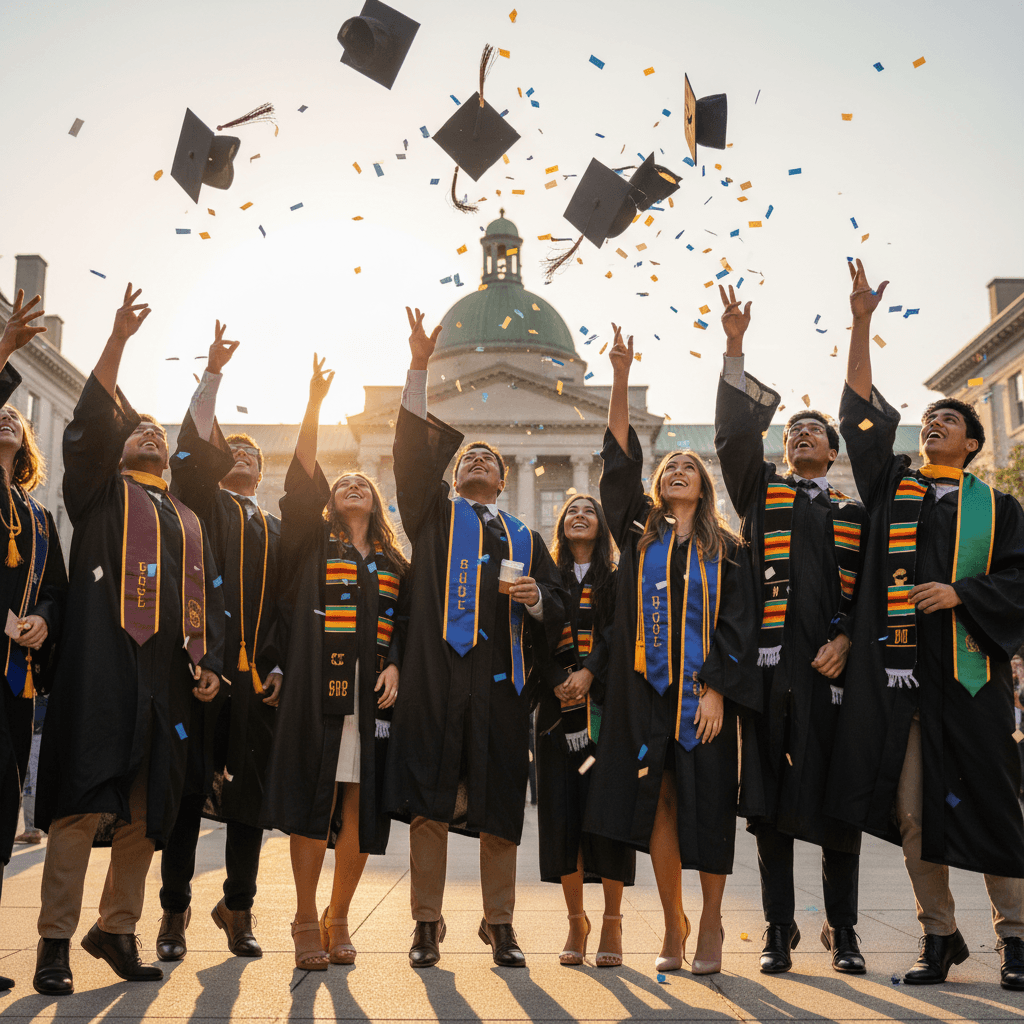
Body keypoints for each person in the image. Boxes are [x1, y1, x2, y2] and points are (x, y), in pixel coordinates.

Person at [829, 259, 1024, 990]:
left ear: (972, 444)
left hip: (971, 678)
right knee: (913, 814)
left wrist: (964, 594)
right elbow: (858, 414)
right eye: (932, 416)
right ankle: (938, 936)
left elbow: (1022, 578)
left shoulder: (1000, 508)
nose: (936, 421)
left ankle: (1016, 937)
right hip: (902, 681)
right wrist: (860, 322)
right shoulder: (891, 489)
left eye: (952, 419)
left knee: (996, 807)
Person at [32, 284, 224, 996]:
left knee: (149, 812)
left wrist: (207, 666)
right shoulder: (99, 496)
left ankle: (117, 926)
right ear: (115, 452)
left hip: (166, 677)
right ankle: (54, 941)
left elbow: (203, 602)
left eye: (157, 433)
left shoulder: (189, 519)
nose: (149, 434)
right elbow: (84, 429)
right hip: (103, 666)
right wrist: (115, 340)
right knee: (84, 804)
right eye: (136, 429)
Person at [384, 307, 567, 970]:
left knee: (499, 811)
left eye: (489, 458)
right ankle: (427, 923)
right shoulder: (432, 517)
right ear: (455, 475)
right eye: (471, 457)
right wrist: (419, 366)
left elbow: (562, 607)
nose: (483, 462)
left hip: (501, 686)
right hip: (435, 678)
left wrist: (538, 599)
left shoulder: (525, 539)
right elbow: (408, 453)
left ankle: (500, 922)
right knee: (429, 805)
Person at [585, 324, 759, 977]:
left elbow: (738, 626)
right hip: (645, 692)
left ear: (705, 487)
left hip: (704, 698)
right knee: (654, 802)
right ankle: (673, 924)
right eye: (670, 467)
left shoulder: (729, 551)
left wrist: (716, 686)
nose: (679, 469)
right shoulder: (637, 536)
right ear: (657, 487)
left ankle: (711, 923)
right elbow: (618, 457)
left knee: (708, 807)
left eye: (689, 466)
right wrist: (620, 375)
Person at [713, 285, 868, 975]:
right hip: (772, 676)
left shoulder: (853, 514)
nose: (802, 435)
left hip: (833, 674)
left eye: (815, 432)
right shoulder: (761, 495)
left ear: (833, 452)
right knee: (769, 811)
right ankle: (779, 930)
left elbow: (871, 600)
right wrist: (736, 346)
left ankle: (845, 929)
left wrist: (849, 642)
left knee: (840, 807)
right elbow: (735, 436)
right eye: (791, 432)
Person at [260, 355, 407, 971]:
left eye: (361, 485)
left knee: (359, 808)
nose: (352, 488)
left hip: (370, 698)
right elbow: (299, 481)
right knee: (311, 800)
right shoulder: (313, 546)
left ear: (376, 501)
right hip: (318, 693)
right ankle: (301, 916)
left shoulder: (396, 565)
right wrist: (315, 404)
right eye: (343, 483)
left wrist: (395, 663)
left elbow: (405, 627)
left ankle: (338, 915)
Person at [156, 322, 283, 962]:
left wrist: (280, 663)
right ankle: (173, 913)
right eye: (233, 451)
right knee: (185, 798)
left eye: (254, 457)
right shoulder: (199, 507)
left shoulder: (276, 528)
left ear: (263, 475)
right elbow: (191, 442)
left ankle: (238, 909)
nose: (243, 459)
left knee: (248, 806)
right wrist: (211, 373)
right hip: (200, 674)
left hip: (254, 682)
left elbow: (288, 605)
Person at [0, 291, 68, 993]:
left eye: (17, 416)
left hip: (15, 679)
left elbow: (55, 589)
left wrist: (45, 616)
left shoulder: (39, 517)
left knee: (0, 809)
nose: (9, 417)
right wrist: (3, 358)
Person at [534, 493, 635, 967]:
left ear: (603, 526)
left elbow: (619, 631)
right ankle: (577, 920)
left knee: (609, 815)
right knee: (563, 817)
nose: (579, 515)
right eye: (570, 510)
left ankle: (612, 922)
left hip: (606, 712)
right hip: (557, 716)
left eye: (589, 510)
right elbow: (532, 638)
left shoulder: (617, 580)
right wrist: (557, 681)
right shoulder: (544, 579)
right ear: (561, 525)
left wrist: (590, 672)